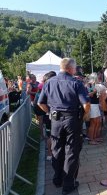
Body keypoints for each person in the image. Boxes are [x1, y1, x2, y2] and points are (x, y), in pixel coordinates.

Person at [38, 58, 90, 195]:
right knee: (71, 152)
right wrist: (84, 117)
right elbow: (86, 105)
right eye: (75, 69)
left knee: (57, 150)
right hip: (72, 120)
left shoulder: (49, 82)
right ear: (71, 69)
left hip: (55, 120)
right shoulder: (76, 83)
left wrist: (50, 112)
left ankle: (57, 179)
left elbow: (40, 103)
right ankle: (68, 184)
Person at [86, 73, 105, 145]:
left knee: (97, 122)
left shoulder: (94, 85)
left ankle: (95, 137)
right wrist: (94, 91)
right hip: (92, 105)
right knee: (93, 123)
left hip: (95, 105)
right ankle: (91, 139)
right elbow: (88, 95)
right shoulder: (89, 85)